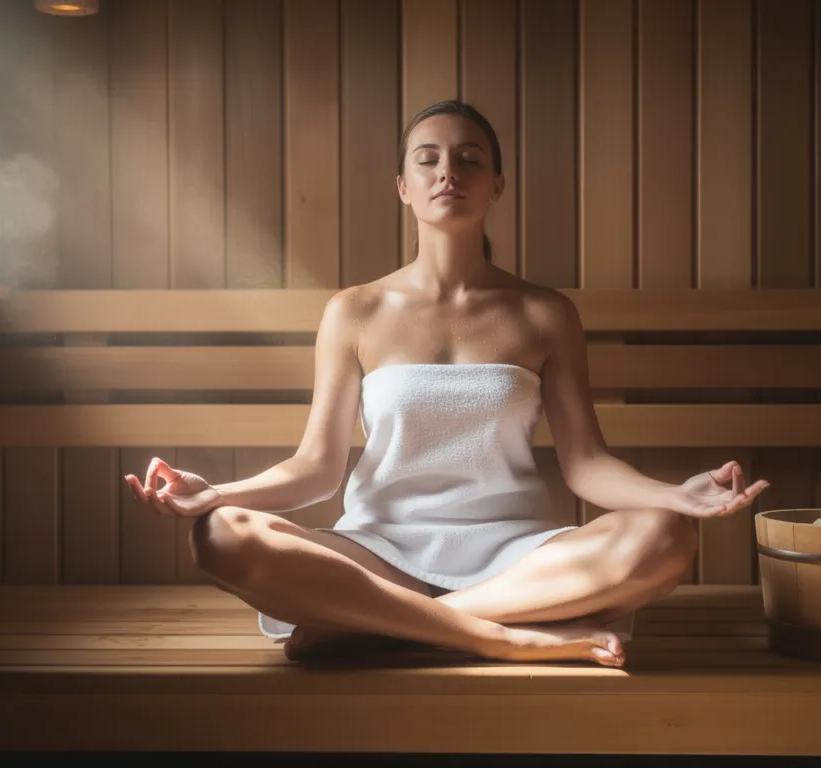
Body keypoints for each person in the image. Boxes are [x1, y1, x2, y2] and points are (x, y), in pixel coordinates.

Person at [124, 100, 769, 668]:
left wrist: (674, 496)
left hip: (516, 556)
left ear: (497, 184)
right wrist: (216, 494)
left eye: (469, 159)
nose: (447, 173)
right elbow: (318, 469)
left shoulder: (545, 314)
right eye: (428, 159)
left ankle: (377, 627)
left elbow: (587, 464)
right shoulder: (355, 311)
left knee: (666, 537)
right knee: (221, 534)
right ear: (403, 185)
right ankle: (499, 639)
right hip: (376, 551)